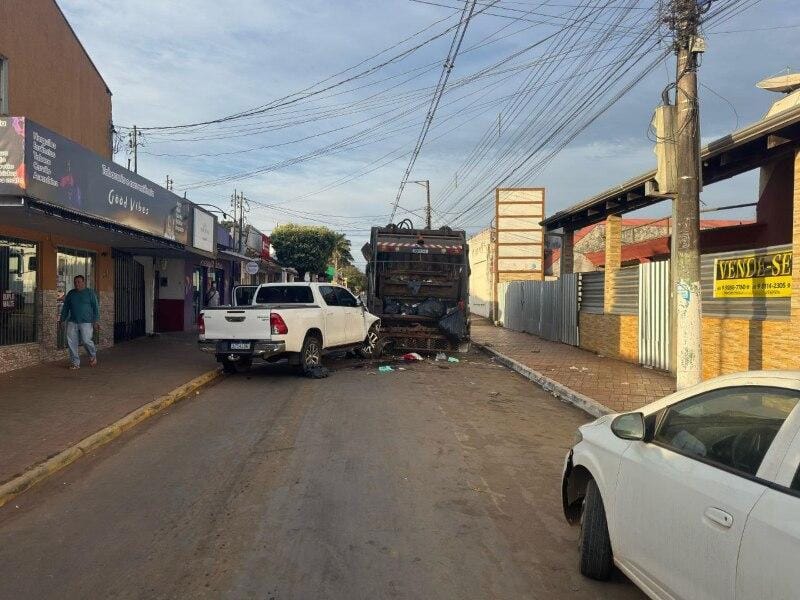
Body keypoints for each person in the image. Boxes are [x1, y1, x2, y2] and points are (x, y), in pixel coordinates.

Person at [59, 275, 99, 370]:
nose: (77, 284)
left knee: (86, 341)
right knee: (72, 343)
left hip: (87, 322)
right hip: (72, 321)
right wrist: (62, 319)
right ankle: (75, 363)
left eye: (79, 282)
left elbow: (96, 308)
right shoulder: (71, 294)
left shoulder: (90, 293)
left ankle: (92, 355)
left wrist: (95, 321)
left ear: (83, 282)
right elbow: (65, 308)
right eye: (75, 282)